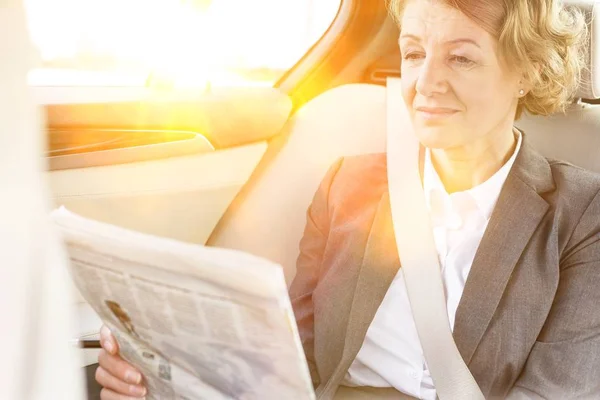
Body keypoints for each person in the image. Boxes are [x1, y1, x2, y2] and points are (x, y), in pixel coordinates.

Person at [94, 0, 600, 399]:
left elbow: (558, 390)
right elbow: (290, 361)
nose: (425, 83)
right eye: (414, 53)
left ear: (530, 70)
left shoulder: (581, 215)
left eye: (461, 57)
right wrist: (160, 383)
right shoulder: (346, 186)